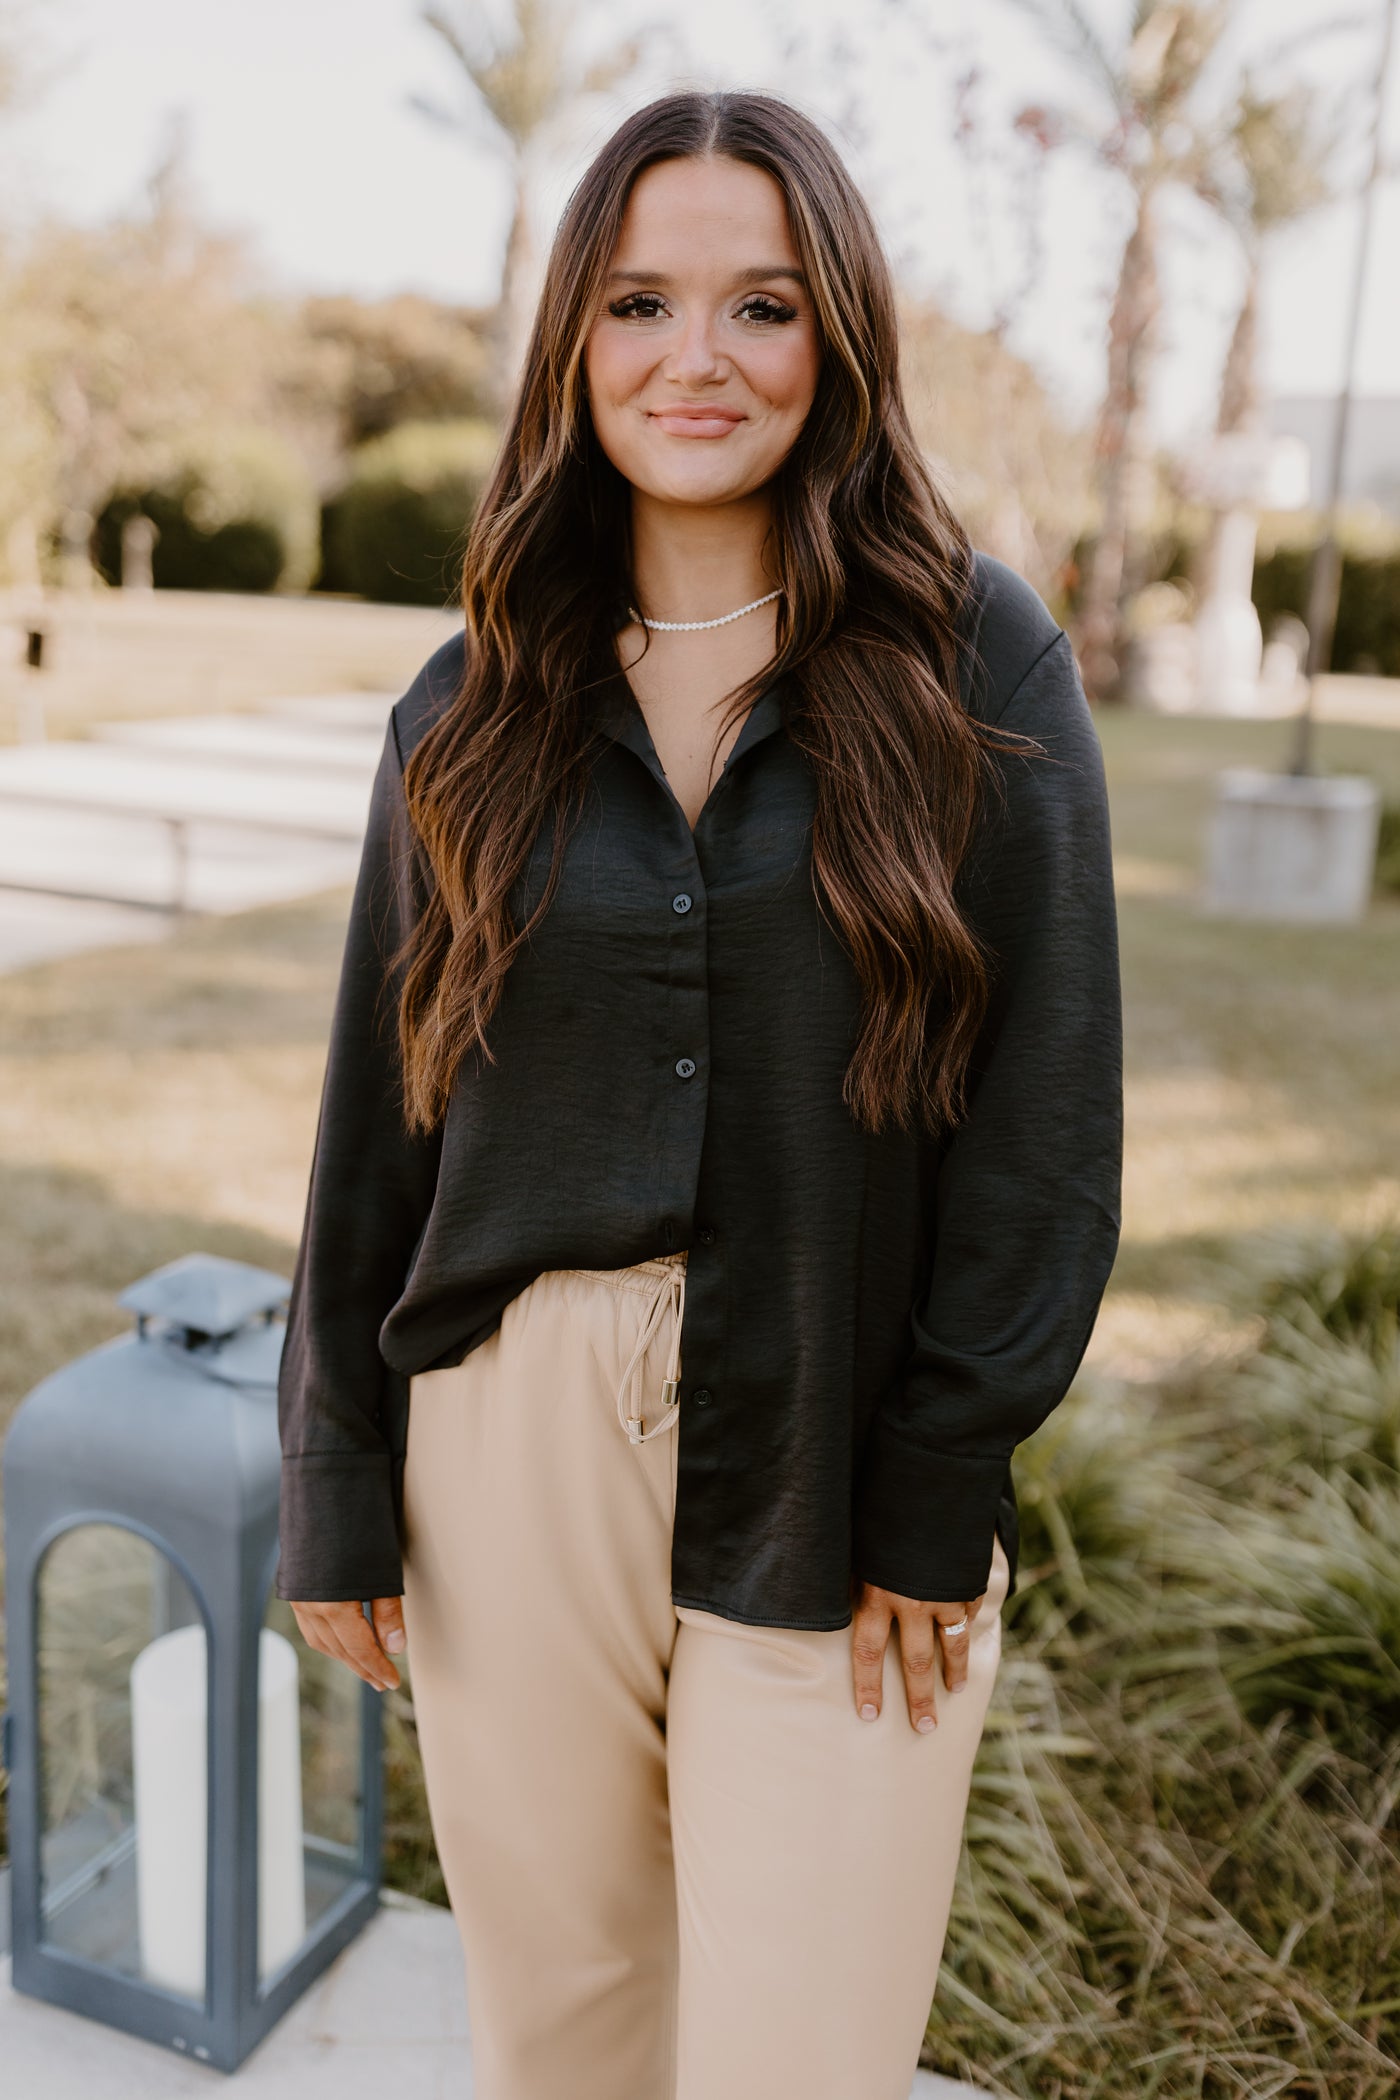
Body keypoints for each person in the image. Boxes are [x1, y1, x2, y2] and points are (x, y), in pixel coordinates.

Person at [276, 89, 1122, 2100]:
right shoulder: (471, 702)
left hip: (831, 1440)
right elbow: (376, 1119)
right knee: (563, 2032)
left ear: (833, 336)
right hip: (510, 1454)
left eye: (760, 304)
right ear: (576, 337)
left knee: (799, 2059)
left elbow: (1044, 1118)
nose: (697, 359)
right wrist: (339, 1477)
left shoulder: (972, 659)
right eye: (643, 302)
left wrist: (939, 1481)